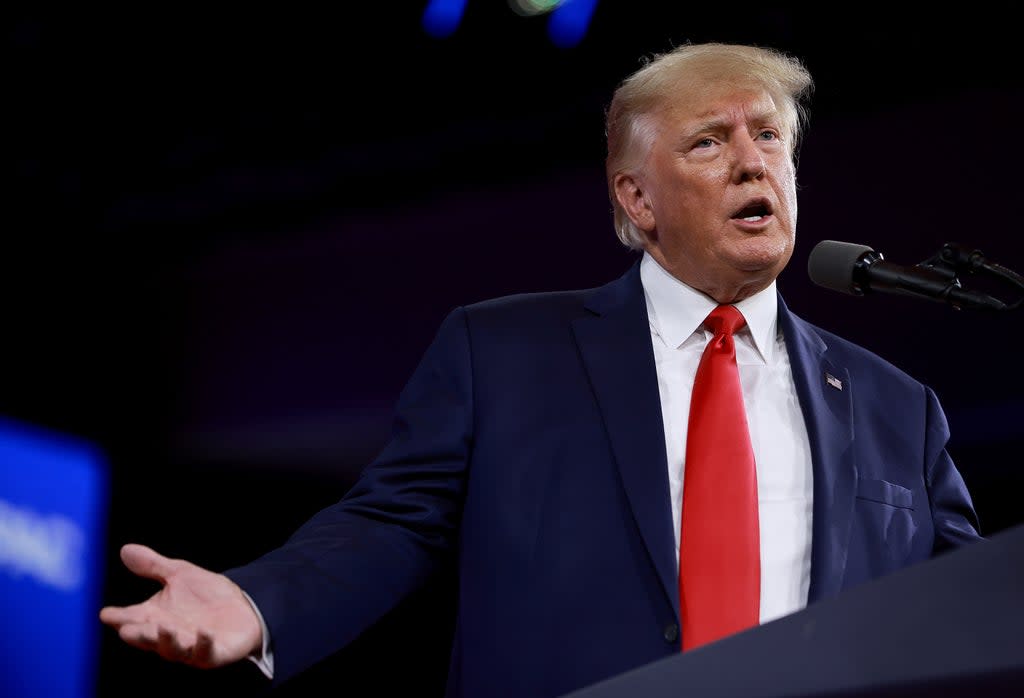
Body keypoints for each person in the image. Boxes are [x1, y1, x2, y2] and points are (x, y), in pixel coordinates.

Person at [100, 41, 983, 698]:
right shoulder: (506, 353)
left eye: (770, 138)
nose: (754, 161)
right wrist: (259, 605)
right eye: (710, 143)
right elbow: (392, 526)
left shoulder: (898, 408)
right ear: (636, 199)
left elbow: (965, 610)